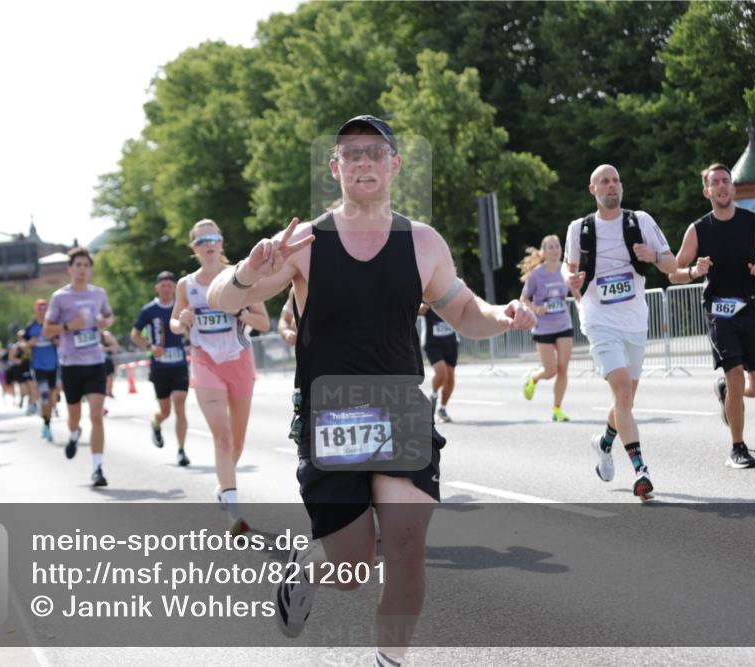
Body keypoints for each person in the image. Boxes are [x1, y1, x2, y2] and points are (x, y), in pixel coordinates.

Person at [207, 115, 536, 665]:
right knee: (351, 568)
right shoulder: (305, 243)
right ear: (335, 168)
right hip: (330, 413)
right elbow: (221, 298)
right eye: (351, 154)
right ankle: (309, 568)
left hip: (401, 406)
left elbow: (463, 310)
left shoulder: (423, 242)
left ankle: (390, 661)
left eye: (375, 152)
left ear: (394, 165)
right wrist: (246, 270)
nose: (363, 162)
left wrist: (501, 315)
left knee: (407, 550)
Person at [563, 164, 679, 501]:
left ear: (621, 187)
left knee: (624, 398)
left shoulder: (640, 222)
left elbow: (671, 264)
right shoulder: (579, 229)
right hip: (598, 319)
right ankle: (641, 471)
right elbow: (570, 275)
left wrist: (653, 255)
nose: (611, 186)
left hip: (634, 321)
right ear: (593, 189)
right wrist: (570, 283)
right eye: (604, 181)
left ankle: (604, 442)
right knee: (623, 391)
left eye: (615, 180)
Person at [669, 163, 755, 468]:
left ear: (733, 187)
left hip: (751, 306)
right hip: (719, 311)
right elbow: (673, 273)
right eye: (715, 182)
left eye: (725, 181)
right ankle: (737, 448)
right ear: (707, 191)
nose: (721, 186)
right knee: (735, 374)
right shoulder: (698, 229)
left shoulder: (752, 222)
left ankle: (728, 393)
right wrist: (694, 271)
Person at [171, 219, 270, 535]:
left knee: (237, 440)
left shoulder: (240, 275)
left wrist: (238, 310)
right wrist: (182, 320)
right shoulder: (187, 285)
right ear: (194, 248)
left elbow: (264, 323)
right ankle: (234, 511)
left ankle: (223, 486)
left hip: (239, 360)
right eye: (202, 240)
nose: (209, 244)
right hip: (205, 361)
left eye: (214, 238)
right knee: (223, 436)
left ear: (222, 243)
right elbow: (175, 322)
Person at [42, 247, 115, 487]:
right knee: (74, 415)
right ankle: (74, 433)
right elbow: (46, 330)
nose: (82, 269)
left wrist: (105, 322)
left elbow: (109, 316)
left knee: (97, 415)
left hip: (95, 362)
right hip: (71, 363)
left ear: (90, 269)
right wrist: (68, 326)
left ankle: (97, 469)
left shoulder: (99, 294)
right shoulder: (60, 297)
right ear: (70, 269)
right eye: (78, 265)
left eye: (86, 265)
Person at [131, 271, 191, 465]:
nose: (166, 289)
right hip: (160, 367)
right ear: (157, 288)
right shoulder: (149, 310)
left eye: (169, 285)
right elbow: (135, 334)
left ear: (174, 288)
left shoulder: (182, 307)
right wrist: (150, 347)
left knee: (179, 403)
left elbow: (192, 328)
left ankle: (181, 451)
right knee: (165, 411)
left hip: (180, 363)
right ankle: (156, 423)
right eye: (162, 285)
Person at [519, 235, 574, 422]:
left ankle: (557, 409)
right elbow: (524, 299)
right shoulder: (536, 274)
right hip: (543, 328)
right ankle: (533, 378)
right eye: (550, 247)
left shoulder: (565, 270)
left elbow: (575, 290)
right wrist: (536, 308)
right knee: (550, 371)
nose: (555, 249)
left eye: (557, 246)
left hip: (563, 324)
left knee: (563, 369)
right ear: (543, 252)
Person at [24, 299, 61, 442]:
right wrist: (29, 343)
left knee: (51, 399)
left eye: (44, 308)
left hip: (53, 366)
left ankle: (47, 423)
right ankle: (46, 424)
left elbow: (61, 342)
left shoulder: (53, 326)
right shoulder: (30, 327)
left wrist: (54, 340)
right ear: (35, 309)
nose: (42, 310)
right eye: (39, 308)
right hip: (38, 367)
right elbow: (24, 346)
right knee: (44, 396)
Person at [418, 303, 458, 423]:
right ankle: (434, 394)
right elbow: (415, 302)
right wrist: (420, 306)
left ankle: (442, 408)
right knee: (442, 374)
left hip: (451, 341)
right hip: (433, 342)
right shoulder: (428, 291)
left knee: (450, 376)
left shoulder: (453, 293)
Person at [101, 330, 120, 415]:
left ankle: (101, 406)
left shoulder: (105, 334)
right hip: (89, 363)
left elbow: (115, 347)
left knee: (106, 383)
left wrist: (103, 349)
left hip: (105, 362)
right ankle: (101, 407)